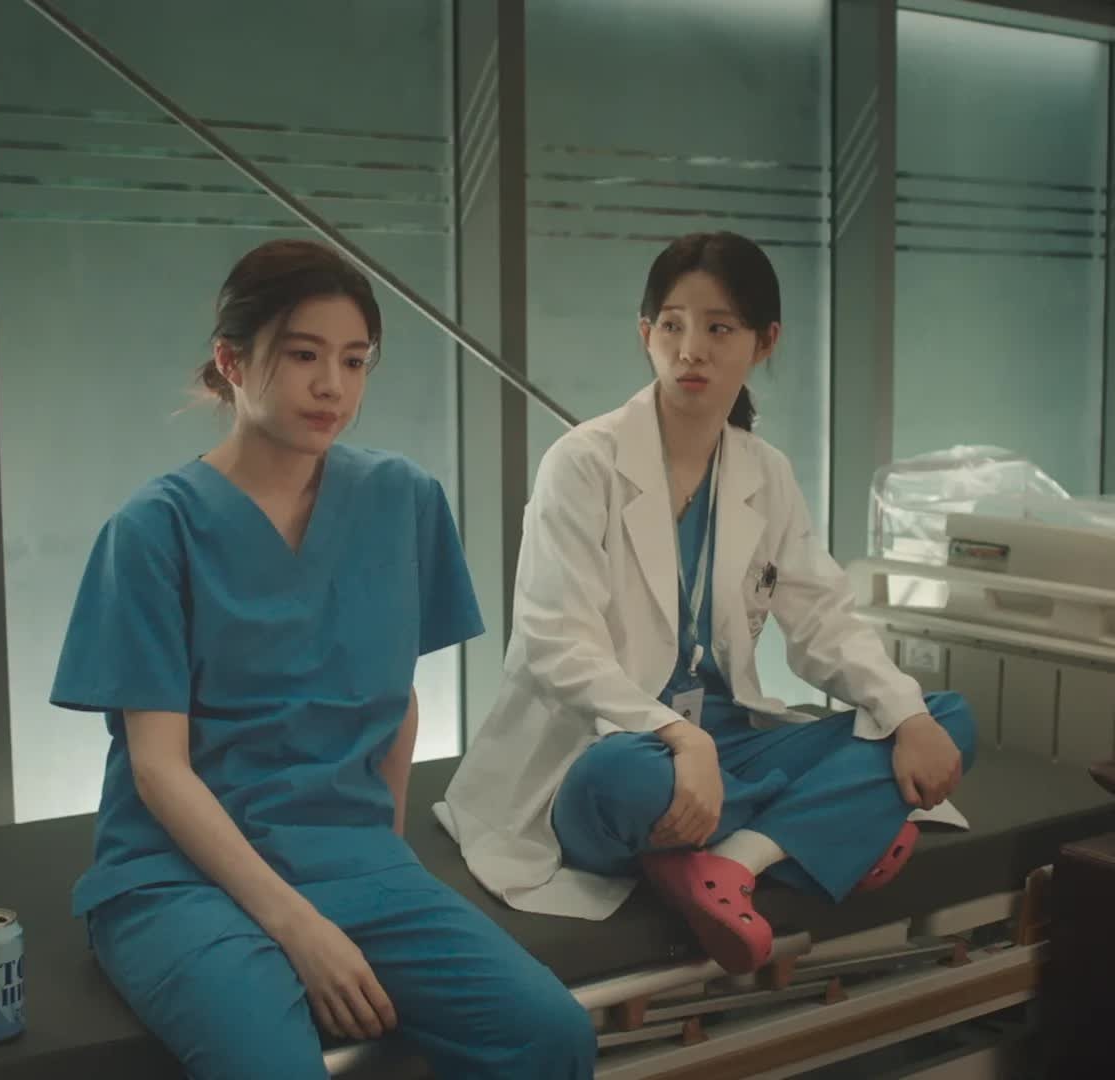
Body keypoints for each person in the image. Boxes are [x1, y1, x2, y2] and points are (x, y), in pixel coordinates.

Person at [50, 238, 596, 1079]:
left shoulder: (402, 500)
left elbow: (396, 701)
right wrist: (299, 926)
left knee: (550, 1034)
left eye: (354, 360)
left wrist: (382, 858)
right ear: (232, 362)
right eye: (304, 355)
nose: (332, 385)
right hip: (179, 876)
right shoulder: (155, 530)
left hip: (351, 857)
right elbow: (159, 769)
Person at [441, 231, 977, 975]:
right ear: (646, 335)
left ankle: (732, 860)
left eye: (719, 328)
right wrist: (680, 740)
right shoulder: (583, 464)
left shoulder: (765, 473)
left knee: (942, 721)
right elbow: (555, 645)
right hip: (613, 749)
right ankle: (826, 829)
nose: (690, 349)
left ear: (765, 341)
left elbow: (823, 621)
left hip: (726, 746)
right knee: (623, 783)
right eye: (672, 325)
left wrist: (908, 718)